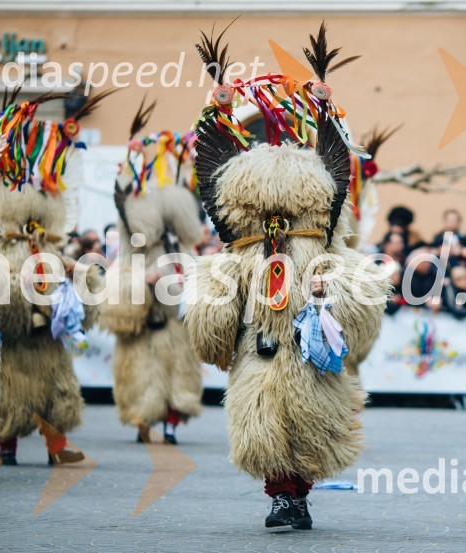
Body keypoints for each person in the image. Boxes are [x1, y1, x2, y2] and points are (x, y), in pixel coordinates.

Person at [185, 24, 389, 530]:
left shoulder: (321, 240)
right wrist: (218, 112)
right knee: (262, 420)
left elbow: (337, 168)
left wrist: (324, 109)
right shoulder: (243, 246)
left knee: (309, 418)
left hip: (307, 337)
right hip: (259, 341)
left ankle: (297, 495)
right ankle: (283, 497)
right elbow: (213, 182)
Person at [0, 98, 107, 466]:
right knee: (12, 382)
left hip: (49, 334)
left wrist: (78, 274)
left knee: (56, 384)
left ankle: (57, 445)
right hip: (18, 335)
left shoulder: (52, 243)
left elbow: (74, 274)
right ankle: (7, 445)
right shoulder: (5, 242)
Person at [100, 116, 204, 445]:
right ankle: (142, 419)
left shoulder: (180, 246)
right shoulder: (133, 248)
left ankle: (171, 422)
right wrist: (143, 282)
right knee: (140, 371)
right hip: (144, 323)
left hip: (173, 324)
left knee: (176, 373)